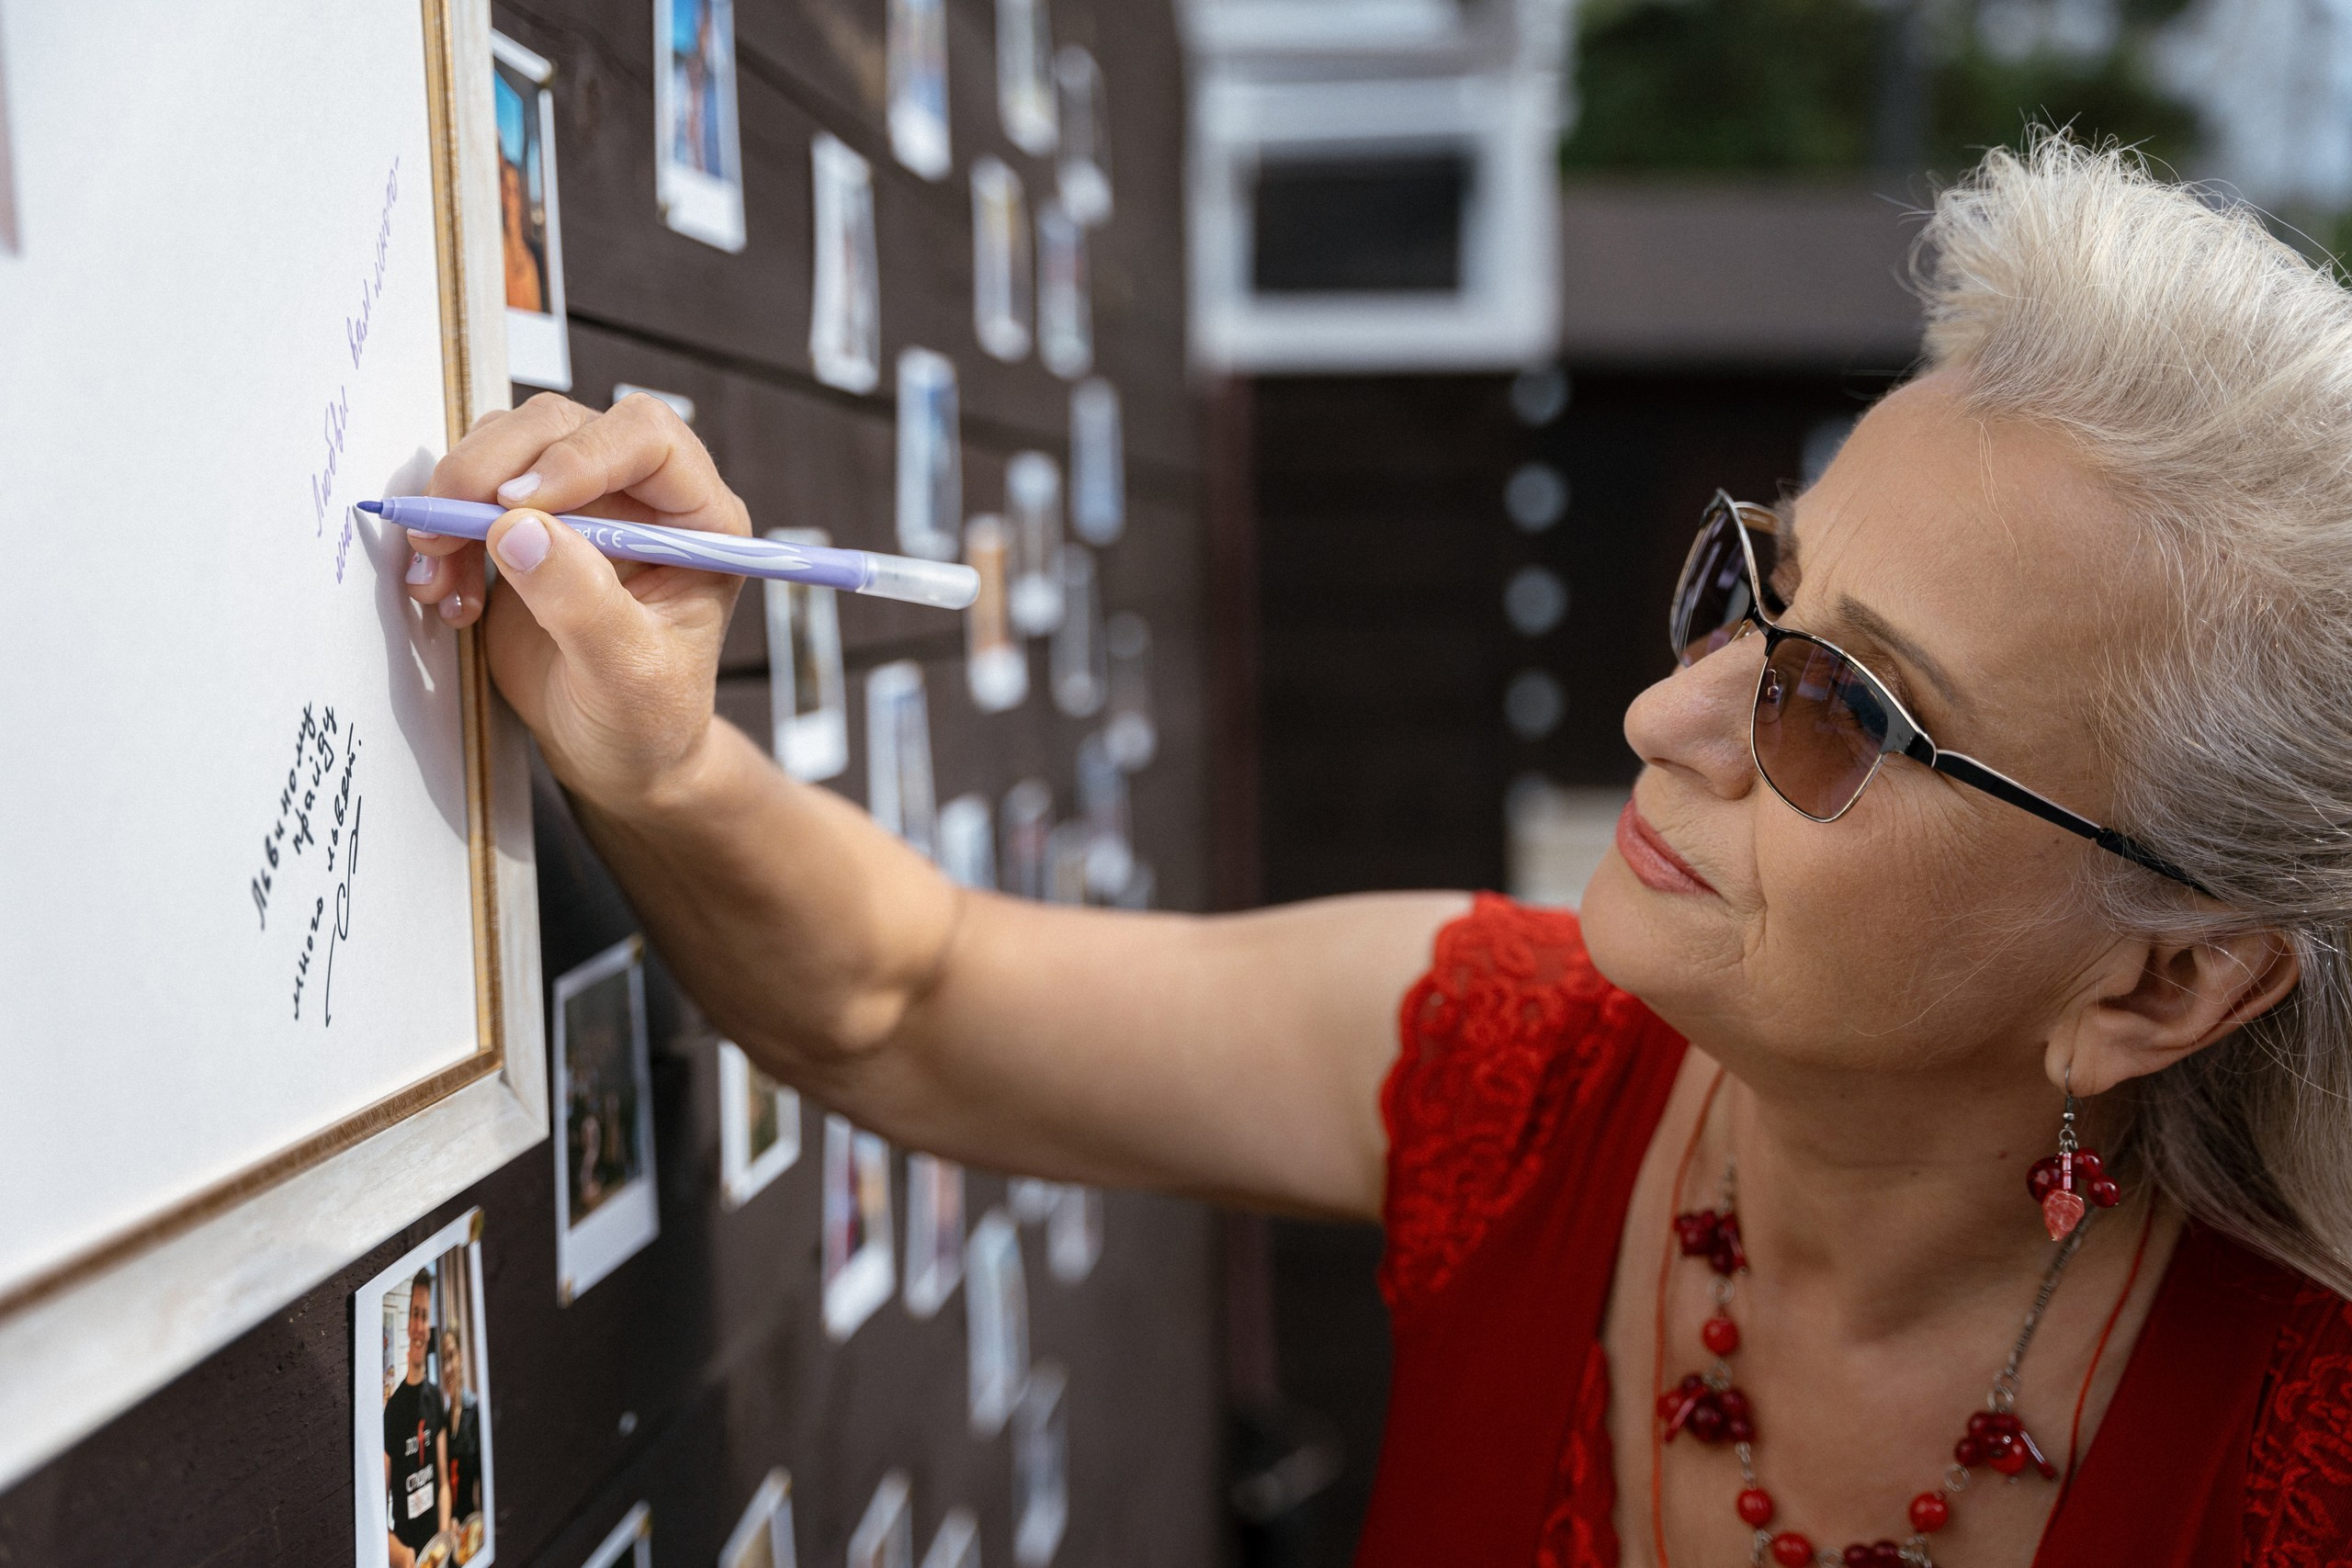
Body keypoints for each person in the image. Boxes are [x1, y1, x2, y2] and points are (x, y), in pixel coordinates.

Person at [404, 135, 2352, 1563]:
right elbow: (903, 994)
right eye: (1741, 589)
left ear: (2157, 977)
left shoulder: (2298, 1460)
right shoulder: (1525, 1064)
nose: (1662, 718)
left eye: (1837, 709)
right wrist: (657, 753)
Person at [383, 1273, 446, 1568]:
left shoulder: (436, 1398)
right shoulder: (392, 1411)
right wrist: (404, 1557)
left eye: (425, 1317)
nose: (420, 1326)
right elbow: (380, 1522)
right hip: (408, 1555)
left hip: (437, 1551)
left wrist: (444, 1539)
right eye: (415, 1315)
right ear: (408, 1324)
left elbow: (443, 1483)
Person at [438, 1327, 482, 1555]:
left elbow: (484, 1479)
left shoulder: (475, 1410)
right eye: (443, 1360)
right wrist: (450, 1521)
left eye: (452, 1356)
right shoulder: (444, 1420)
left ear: (462, 1357)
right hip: (453, 1534)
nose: (447, 1369)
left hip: (476, 1529)